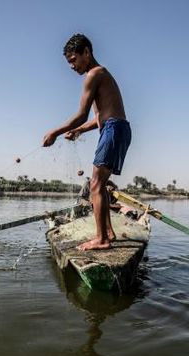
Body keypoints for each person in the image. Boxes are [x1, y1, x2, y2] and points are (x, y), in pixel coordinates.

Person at [42, 33, 131, 250]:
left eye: (73, 59)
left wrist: (54, 131)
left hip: (113, 129)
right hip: (116, 128)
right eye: (68, 62)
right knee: (98, 184)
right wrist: (79, 130)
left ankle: (101, 240)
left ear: (87, 53)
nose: (71, 66)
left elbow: (82, 114)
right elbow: (99, 117)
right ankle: (108, 232)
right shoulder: (100, 74)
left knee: (96, 184)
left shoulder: (94, 74)